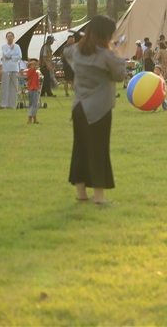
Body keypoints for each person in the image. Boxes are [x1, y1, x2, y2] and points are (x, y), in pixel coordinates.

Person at [64, 15, 127, 205]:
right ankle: (99, 198)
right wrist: (120, 55)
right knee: (99, 151)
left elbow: (66, 53)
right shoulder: (106, 55)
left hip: (79, 106)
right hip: (99, 109)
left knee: (80, 150)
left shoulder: (75, 51)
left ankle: (82, 194)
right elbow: (119, 76)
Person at [0, 32, 23, 109]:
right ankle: (3, 104)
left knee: (14, 87)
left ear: (13, 37)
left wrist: (11, 57)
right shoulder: (4, 46)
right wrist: (10, 49)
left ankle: (12, 104)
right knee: (5, 87)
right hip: (6, 69)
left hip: (15, 68)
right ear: (6, 38)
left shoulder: (17, 46)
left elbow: (19, 56)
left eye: (11, 36)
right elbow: (5, 55)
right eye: (8, 36)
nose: (10, 38)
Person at [25, 59, 41, 124]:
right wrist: (33, 63)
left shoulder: (36, 73)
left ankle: (35, 119)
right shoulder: (30, 71)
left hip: (35, 89)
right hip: (32, 89)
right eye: (35, 65)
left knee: (34, 104)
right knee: (33, 105)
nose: (37, 66)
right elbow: (29, 66)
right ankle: (29, 120)